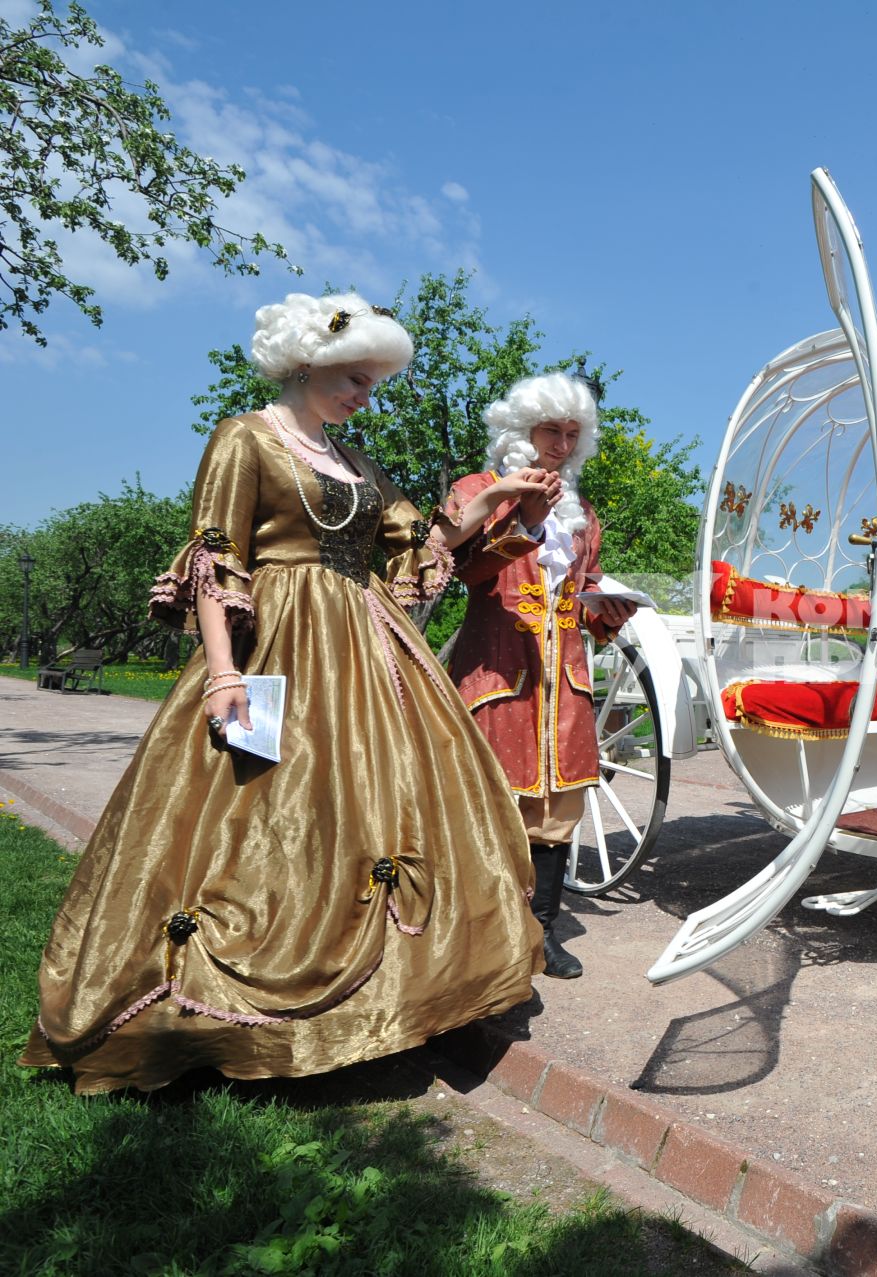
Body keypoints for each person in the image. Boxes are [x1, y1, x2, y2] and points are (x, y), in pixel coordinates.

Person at [21, 293, 551, 1094]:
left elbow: (418, 545)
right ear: (307, 361)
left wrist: (490, 504)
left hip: (367, 651)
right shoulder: (245, 438)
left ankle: (390, 1004)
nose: (362, 394)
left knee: (373, 806)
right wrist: (225, 671)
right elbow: (215, 554)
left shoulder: (355, 460)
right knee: (264, 809)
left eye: (372, 382)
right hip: (277, 645)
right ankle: (225, 1009)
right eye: (354, 377)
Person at [444, 372, 638, 979]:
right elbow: (465, 571)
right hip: (497, 669)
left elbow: (582, 586)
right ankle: (481, 939)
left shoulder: (583, 514)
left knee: (557, 813)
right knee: (493, 805)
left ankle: (541, 932)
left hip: (565, 678)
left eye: (572, 434)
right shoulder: (477, 490)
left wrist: (605, 606)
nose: (561, 443)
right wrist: (523, 521)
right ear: (521, 430)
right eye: (551, 430)